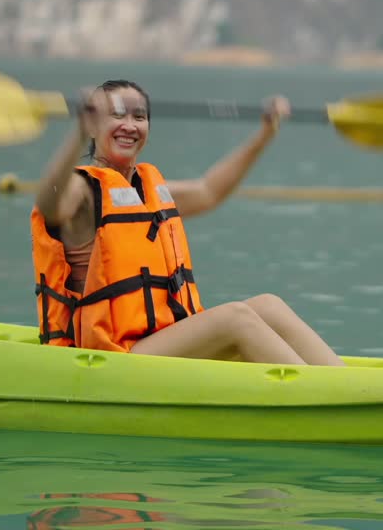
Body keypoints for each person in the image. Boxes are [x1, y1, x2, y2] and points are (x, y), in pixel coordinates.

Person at [31, 79, 344, 366]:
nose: (129, 125)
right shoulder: (81, 191)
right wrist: (76, 134)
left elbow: (209, 191)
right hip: (111, 355)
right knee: (235, 317)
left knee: (268, 305)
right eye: (116, 115)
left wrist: (265, 134)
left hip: (157, 342)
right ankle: (327, 402)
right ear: (94, 126)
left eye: (139, 117)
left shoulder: (147, 189)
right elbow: (49, 202)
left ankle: (343, 383)